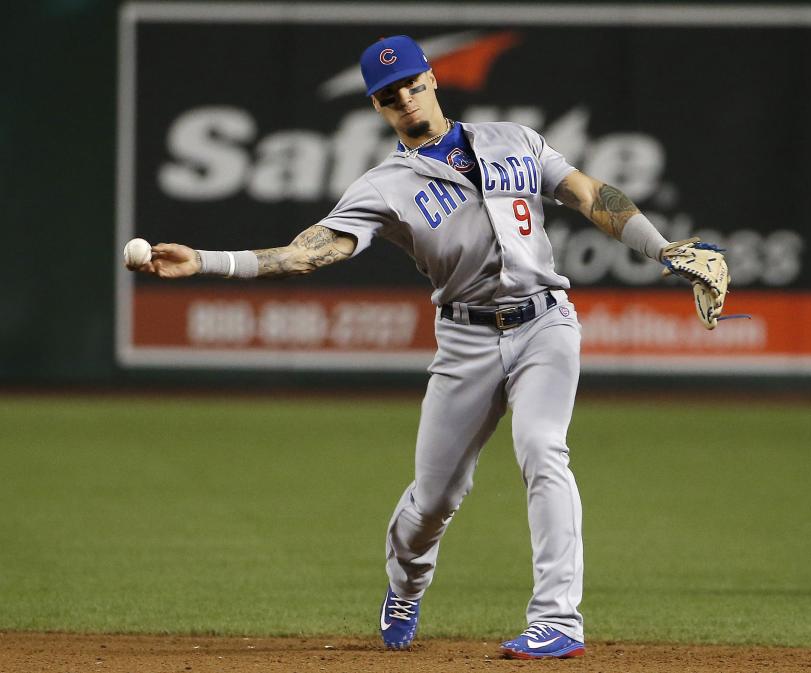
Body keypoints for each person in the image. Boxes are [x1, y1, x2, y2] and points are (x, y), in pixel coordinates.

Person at [132, 35, 676, 660]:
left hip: (546, 325)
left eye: (414, 85)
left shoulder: (514, 140)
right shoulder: (385, 185)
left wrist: (663, 248)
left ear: (433, 80)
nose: (408, 102)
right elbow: (307, 255)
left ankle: (557, 619)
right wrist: (205, 260)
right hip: (466, 340)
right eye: (391, 97)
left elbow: (588, 194)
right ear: (376, 106)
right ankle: (405, 585)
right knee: (434, 499)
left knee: (543, 448)